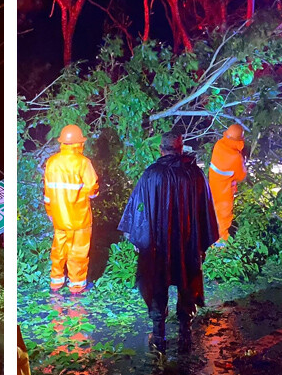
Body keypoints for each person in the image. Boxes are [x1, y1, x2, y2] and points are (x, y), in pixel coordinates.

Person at [118, 132, 219, 351]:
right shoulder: (195, 174)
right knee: (187, 281)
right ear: (181, 148)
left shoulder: (151, 175)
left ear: (161, 149)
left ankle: (159, 336)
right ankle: (185, 332)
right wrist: (201, 240)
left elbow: (138, 208)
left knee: (157, 282)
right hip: (188, 242)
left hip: (158, 244)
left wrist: (137, 236)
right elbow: (206, 211)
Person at [43, 124, 99, 295]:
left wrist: (51, 213)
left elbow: (47, 193)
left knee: (58, 249)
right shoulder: (83, 163)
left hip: (59, 216)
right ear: (79, 143)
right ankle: (76, 285)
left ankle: (56, 282)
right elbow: (92, 188)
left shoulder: (52, 162)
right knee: (78, 252)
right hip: (79, 217)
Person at [208, 124, 247, 244]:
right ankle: (219, 251)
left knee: (212, 217)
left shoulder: (219, 145)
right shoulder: (236, 157)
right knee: (223, 221)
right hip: (224, 193)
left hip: (212, 188)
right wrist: (243, 163)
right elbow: (241, 176)